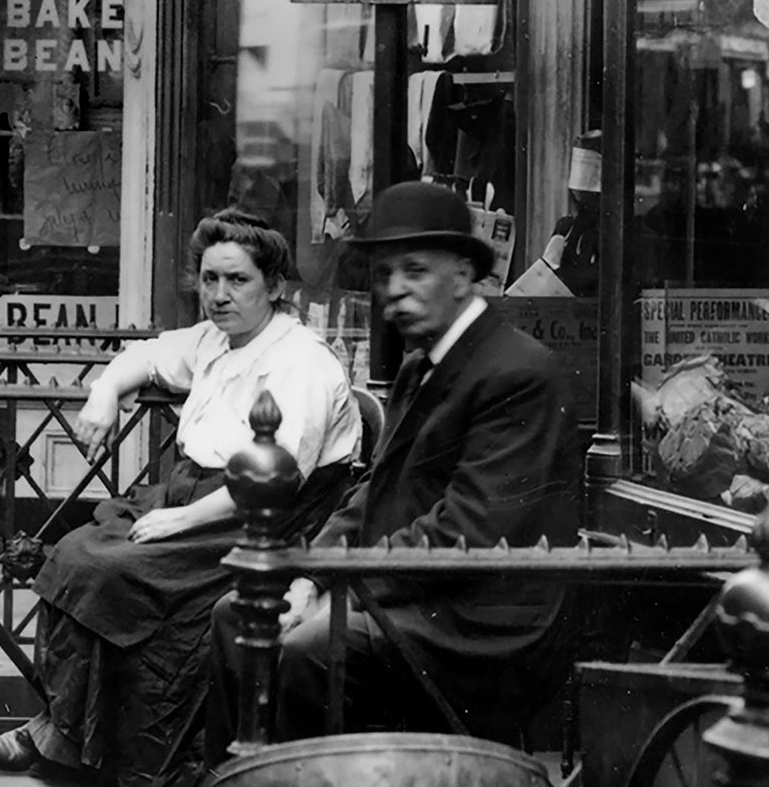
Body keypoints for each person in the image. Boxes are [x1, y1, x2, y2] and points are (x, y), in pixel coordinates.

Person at [0, 209, 361, 786]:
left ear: (275, 286)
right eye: (209, 279)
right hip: (193, 497)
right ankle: (65, 732)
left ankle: (91, 746)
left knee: (108, 570)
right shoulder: (215, 339)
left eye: (238, 280)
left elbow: (274, 479)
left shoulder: (300, 361)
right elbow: (147, 356)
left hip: (258, 519)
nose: (219, 295)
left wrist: (182, 518)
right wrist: (105, 393)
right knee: (77, 551)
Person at [206, 182, 580, 767]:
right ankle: (244, 778)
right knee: (239, 613)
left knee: (311, 647)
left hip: (480, 623)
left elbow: (467, 530)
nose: (396, 292)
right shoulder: (421, 365)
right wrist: (310, 575)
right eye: (386, 274)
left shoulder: (517, 374)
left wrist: (339, 587)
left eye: (415, 271)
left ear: (462, 275)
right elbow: (372, 495)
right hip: (412, 593)